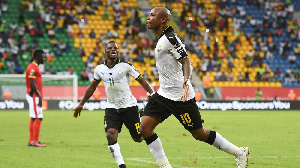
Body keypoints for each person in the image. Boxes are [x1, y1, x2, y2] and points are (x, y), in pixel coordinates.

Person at [140, 7, 250, 168]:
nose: (148, 17)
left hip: (181, 97)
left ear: (163, 20)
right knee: (145, 128)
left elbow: (186, 60)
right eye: (149, 15)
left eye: (152, 15)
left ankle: (239, 152)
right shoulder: (162, 38)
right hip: (163, 94)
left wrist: (186, 79)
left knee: (199, 134)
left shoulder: (171, 38)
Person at [73, 41, 154, 168]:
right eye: (110, 48)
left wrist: (152, 93)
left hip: (129, 106)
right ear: (105, 51)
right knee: (110, 134)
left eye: (115, 48)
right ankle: (121, 165)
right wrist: (81, 103)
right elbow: (92, 87)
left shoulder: (125, 66)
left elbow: (141, 80)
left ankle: (142, 117)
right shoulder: (100, 69)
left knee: (138, 138)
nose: (113, 50)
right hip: (111, 107)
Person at [25, 49, 46, 147]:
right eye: (43, 57)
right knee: (38, 117)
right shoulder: (32, 68)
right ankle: (35, 141)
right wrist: (39, 96)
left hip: (34, 96)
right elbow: (32, 84)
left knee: (34, 117)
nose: (44, 58)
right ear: (38, 57)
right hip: (34, 96)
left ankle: (31, 140)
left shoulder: (34, 67)